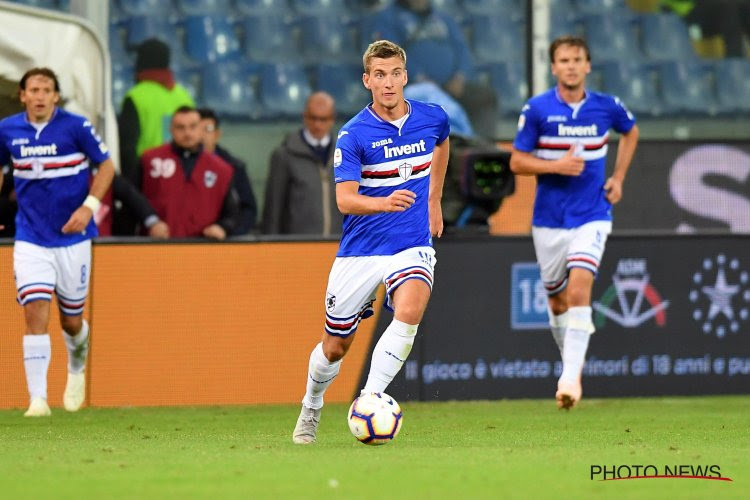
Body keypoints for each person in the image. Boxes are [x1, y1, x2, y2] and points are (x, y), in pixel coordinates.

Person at [292, 40, 450, 444]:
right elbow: (344, 200)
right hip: (360, 252)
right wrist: (385, 203)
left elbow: (443, 142)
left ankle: (370, 399)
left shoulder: (432, 118)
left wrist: (433, 198)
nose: (389, 82)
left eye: (395, 73)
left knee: (411, 309)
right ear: (367, 81)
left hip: (411, 244)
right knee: (335, 347)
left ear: (405, 76)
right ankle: (312, 404)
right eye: (379, 75)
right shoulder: (354, 134)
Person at [509, 36, 639, 410]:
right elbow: (517, 162)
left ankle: (569, 378)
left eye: (577, 59)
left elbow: (631, 131)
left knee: (581, 288)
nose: (570, 65)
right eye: (563, 60)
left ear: (587, 65)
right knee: (556, 297)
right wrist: (555, 166)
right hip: (549, 219)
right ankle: (571, 364)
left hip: (592, 214)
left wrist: (618, 178)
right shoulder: (537, 109)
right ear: (553, 67)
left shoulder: (606, 106)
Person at [0, 67, 115, 416]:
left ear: (55, 96)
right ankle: (38, 399)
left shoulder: (75, 127)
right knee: (34, 309)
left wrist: (88, 207)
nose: (39, 95)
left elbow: (107, 166)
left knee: (71, 321)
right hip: (31, 237)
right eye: (33, 89)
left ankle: (77, 364)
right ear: (22, 95)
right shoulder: (7, 130)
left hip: (72, 237)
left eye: (46, 89)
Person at [364, 0, 497, 136]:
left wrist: (460, 76)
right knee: (426, 101)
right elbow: (388, 56)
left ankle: (478, 148)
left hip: (451, 86)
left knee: (484, 98)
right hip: (413, 88)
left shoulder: (443, 17)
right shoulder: (388, 18)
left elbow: (462, 49)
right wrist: (419, 78)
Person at [138, 106, 238, 239]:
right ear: (171, 130)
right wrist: (150, 223)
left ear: (201, 130)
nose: (187, 133)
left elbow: (232, 213)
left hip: (203, 250)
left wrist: (222, 227)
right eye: (180, 127)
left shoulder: (222, 169)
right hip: (157, 248)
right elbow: (133, 202)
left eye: (193, 127)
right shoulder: (149, 160)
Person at [261, 92, 341, 236]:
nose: (318, 124)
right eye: (313, 118)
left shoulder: (346, 154)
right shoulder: (284, 155)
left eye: (323, 119)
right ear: (305, 116)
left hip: (339, 245)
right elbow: (273, 208)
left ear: (332, 119)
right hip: (298, 246)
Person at [118, 38, 194, 185]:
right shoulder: (184, 95)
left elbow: (127, 148)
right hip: (180, 177)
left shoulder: (136, 96)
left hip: (148, 177)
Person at [198, 108, 257, 235]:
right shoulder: (179, 166)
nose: (202, 135)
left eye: (207, 129)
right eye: (197, 129)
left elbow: (248, 209)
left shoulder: (235, 167)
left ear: (217, 134)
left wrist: (232, 235)